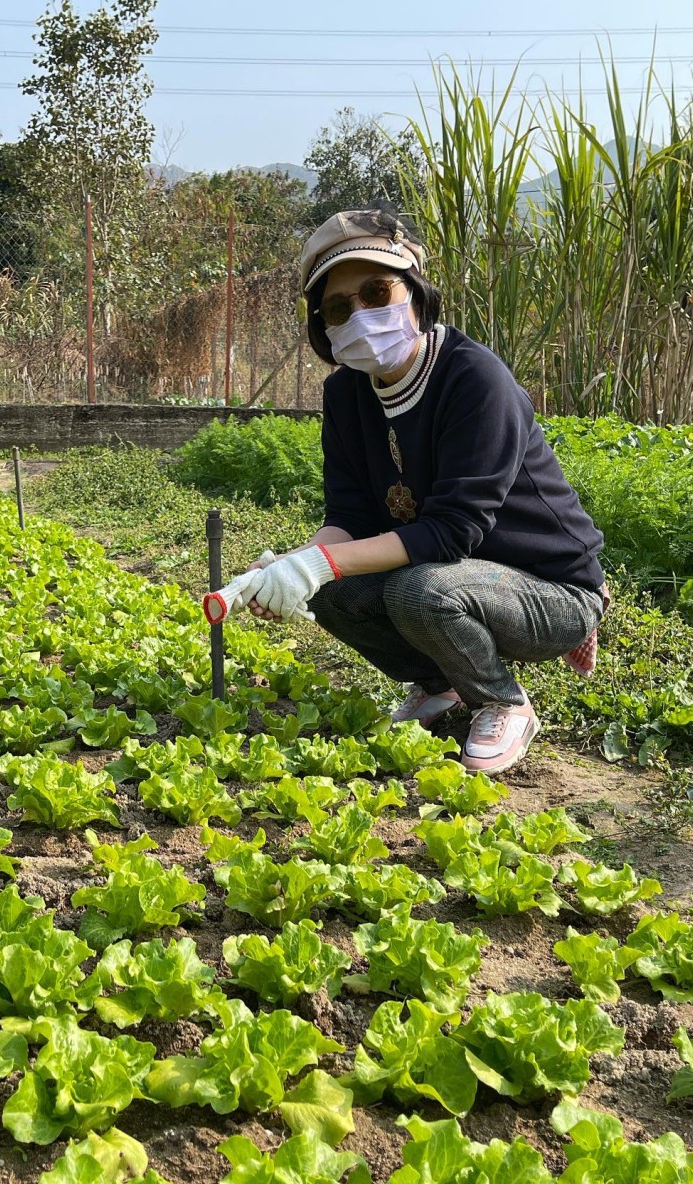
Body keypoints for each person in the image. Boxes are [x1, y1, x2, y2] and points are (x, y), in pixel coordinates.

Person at [214, 207, 607, 775]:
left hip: (552, 587)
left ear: (416, 292)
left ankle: (502, 701)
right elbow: (348, 516)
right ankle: (438, 682)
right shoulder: (346, 395)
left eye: (377, 290)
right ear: (322, 327)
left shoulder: (473, 377)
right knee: (332, 589)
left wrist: (319, 563)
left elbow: (452, 530)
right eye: (338, 306)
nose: (360, 313)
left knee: (418, 592)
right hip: (452, 573)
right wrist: (296, 566)